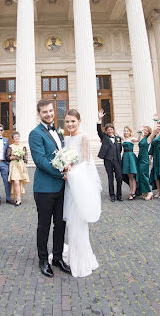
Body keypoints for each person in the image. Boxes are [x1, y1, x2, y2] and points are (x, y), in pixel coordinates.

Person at [29, 99, 70, 278]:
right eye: (45, 112)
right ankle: (43, 259)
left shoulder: (59, 132)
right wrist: (61, 174)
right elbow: (40, 161)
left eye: (51, 111)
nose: (49, 114)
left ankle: (58, 258)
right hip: (44, 188)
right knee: (44, 225)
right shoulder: (35, 134)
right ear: (39, 113)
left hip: (62, 187)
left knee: (61, 224)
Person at [62, 108, 101, 277]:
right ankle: (73, 253)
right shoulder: (66, 138)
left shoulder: (83, 137)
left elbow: (86, 162)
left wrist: (70, 172)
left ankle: (82, 259)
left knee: (79, 221)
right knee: (71, 221)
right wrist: (65, 167)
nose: (70, 124)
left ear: (79, 122)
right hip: (70, 183)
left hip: (78, 182)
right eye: (67, 121)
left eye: (73, 121)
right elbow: (67, 158)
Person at [96, 109, 123, 202]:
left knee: (119, 177)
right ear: (106, 131)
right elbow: (99, 130)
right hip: (108, 160)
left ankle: (119, 195)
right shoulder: (104, 137)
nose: (110, 131)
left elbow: (120, 149)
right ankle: (112, 195)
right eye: (108, 130)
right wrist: (100, 119)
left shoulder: (118, 138)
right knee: (110, 178)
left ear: (113, 130)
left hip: (117, 160)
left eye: (111, 129)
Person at [8, 131, 29, 206]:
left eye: (18, 137)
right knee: (16, 182)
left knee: (20, 182)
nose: (17, 138)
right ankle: (18, 199)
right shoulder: (11, 147)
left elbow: (25, 157)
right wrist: (14, 157)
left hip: (21, 165)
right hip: (14, 165)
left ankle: (17, 197)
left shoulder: (23, 147)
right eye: (15, 137)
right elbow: (7, 157)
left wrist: (24, 166)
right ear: (13, 139)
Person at [136, 125, 156, 200]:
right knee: (141, 175)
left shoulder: (148, 138)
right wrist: (140, 131)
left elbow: (154, 131)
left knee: (143, 175)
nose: (145, 131)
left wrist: (156, 120)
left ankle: (149, 192)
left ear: (149, 132)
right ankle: (145, 191)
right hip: (140, 157)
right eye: (144, 130)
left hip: (144, 159)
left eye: (146, 130)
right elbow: (138, 139)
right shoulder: (142, 138)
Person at [121, 126, 139, 200]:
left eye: (127, 131)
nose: (126, 132)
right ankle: (131, 191)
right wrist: (114, 124)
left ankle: (133, 193)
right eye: (125, 131)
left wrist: (140, 133)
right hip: (125, 156)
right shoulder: (124, 139)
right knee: (129, 176)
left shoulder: (132, 138)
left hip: (130, 156)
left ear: (130, 132)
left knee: (132, 176)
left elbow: (138, 140)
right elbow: (117, 133)